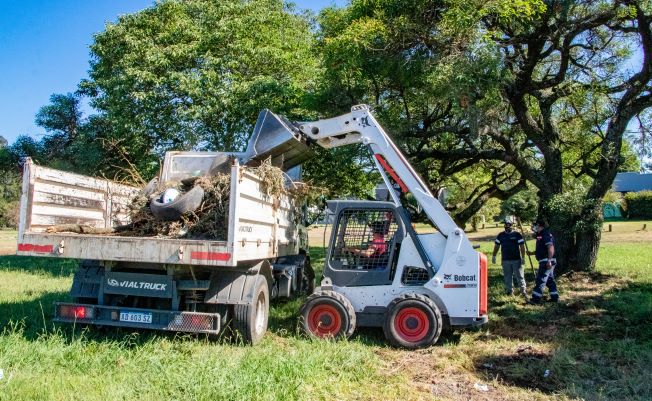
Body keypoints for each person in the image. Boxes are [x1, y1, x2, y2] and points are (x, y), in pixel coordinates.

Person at [492, 218, 527, 296]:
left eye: (509, 225)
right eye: (506, 225)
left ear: (512, 225)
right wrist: (494, 255)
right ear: (504, 226)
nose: (507, 227)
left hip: (516, 259)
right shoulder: (500, 235)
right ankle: (510, 291)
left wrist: (523, 257)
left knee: (520, 276)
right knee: (507, 277)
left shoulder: (517, 235)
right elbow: (496, 246)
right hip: (505, 260)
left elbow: (522, 246)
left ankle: (523, 291)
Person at [528, 218, 559, 304]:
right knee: (549, 280)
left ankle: (535, 299)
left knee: (541, 279)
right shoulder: (540, 235)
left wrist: (549, 260)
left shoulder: (545, 234)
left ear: (539, 226)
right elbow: (542, 249)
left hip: (547, 261)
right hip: (545, 259)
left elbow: (551, 247)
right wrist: (533, 253)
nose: (533, 227)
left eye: (535, 225)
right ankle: (554, 297)